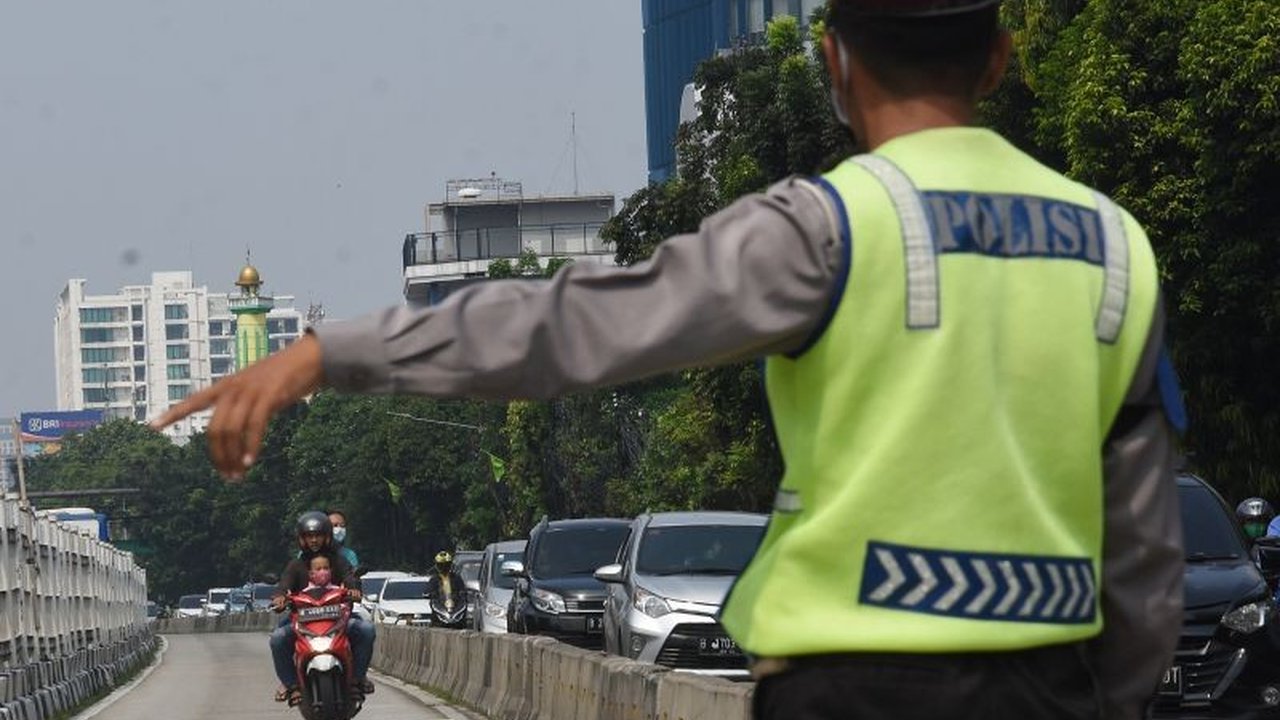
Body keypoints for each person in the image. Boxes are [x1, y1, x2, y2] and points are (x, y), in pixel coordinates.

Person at [153, 1, 1185, 717]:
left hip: (850, 686)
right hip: (1052, 683)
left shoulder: (825, 229)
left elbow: (576, 327)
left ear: (832, 62)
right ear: (999, 59)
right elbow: (1143, 553)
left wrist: (335, 352)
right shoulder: (1113, 249)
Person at [269, 511, 374, 704]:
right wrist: (279, 598)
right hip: (301, 622)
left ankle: (358, 679)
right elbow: (283, 585)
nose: (314, 540)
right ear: (302, 539)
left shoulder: (339, 561)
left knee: (366, 630)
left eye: (318, 535)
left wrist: (354, 590)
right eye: (309, 536)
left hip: (338, 620)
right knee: (277, 639)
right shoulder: (296, 564)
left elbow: (350, 578)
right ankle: (291, 685)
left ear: (327, 536)